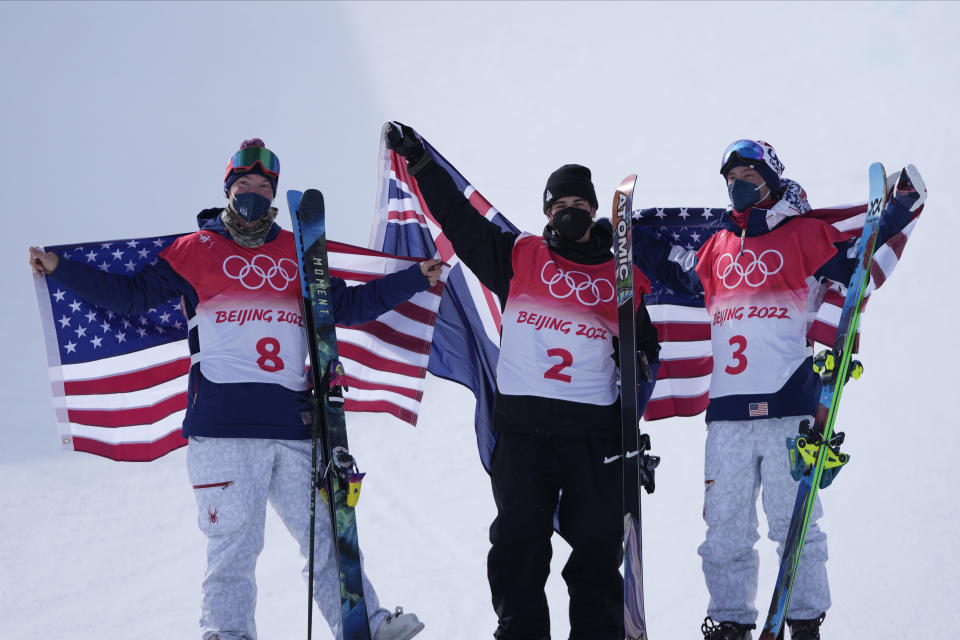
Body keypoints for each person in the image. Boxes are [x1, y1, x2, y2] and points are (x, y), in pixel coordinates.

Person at [29, 138, 440, 640]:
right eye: (243, 185)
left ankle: (365, 625)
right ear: (228, 190)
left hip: (294, 428)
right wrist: (61, 268)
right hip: (222, 432)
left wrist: (415, 279)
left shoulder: (299, 252)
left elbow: (346, 309)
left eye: (264, 187)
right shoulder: (195, 250)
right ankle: (227, 634)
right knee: (234, 549)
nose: (253, 194)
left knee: (328, 541)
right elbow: (132, 298)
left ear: (274, 196)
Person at [632, 139, 926, 640]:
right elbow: (671, 266)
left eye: (747, 175)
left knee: (796, 527)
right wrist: (624, 238)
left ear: (769, 178)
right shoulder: (717, 248)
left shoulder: (804, 233)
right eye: (729, 179)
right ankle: (729, 623)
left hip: (790, 407)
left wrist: (898, 206)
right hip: (725, 417)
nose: (736, 185)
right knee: (724, 533)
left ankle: (805, 621)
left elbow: (860, 252)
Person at [385, 122, 661, 640]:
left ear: (595, 210)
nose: (568, 212)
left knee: (598, 549)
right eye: (558, 206)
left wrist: (640, 368)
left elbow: (647, 348)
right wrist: (421, 162)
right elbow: (459, 220)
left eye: (578, 203)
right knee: (517, 543)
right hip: (524, 434)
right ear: (546, 213)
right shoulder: (518, 256)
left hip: (594, 435)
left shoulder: (621, 276)